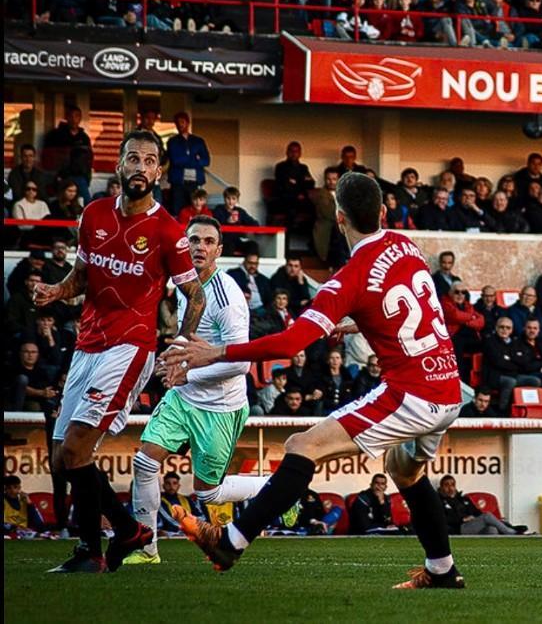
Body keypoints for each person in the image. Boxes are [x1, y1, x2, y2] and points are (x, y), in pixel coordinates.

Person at [163, 172, 468, 589]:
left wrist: (215, 351)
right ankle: (442, 570)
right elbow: (409, 308)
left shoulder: (348, 279)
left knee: (301, 446)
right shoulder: (403, 243)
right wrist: (359, 324)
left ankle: (230, 542)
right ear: (382, 212)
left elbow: (289, 343)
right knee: (405, 471)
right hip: (450, 388)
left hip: (412, 394)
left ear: (339, 218)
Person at [34, 130, 207, 573]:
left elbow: (195, 294)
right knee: (62, 458)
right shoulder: (92, 214)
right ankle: (99, 547)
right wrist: (57, 291)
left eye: (150, 161)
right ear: (120, 165)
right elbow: (82, 275)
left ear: (159, 172)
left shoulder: (168, 229)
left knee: (75, 450)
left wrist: (181, 349)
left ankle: (122, 533)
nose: (141, 167)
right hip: (87, 343)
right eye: (134, 158)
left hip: (129, 348)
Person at [125, 216, 266, 566]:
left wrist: (187, 374)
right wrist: (174, 361)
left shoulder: (227, 296)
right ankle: (147, 549)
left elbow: (240, 363)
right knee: (144, 462)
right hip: (184, 399)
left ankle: (276, 488)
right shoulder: (183, 285)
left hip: (220, 406)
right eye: (193, 240)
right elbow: (190, 344)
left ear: (219, 250)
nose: (199, 247)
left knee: (208, 492)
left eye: (207, 241)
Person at [438, 476, 525, 535]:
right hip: (458, 528)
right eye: (446, 485)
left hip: (472, 526)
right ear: (441, 487)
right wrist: (462, 519)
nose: (450, 488)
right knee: (486, 516)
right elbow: (442, 520)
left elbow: (478, 512)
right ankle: (511, 532)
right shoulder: (439, 501)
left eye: (452, 485)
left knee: (492, 530)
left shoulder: (464, 499)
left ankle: (493, 554)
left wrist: (473, 517)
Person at [164, 112, 210, 216]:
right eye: (178, 123)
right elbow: (175, 160)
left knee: (195, 210)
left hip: (194, 182)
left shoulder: (198, 141)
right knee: (177, 210)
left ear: (188, 123)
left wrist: (187, 159)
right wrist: (195, 159)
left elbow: (206, 160)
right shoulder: (172, 141)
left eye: (182, 122)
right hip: (178, 182)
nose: (180, 125)